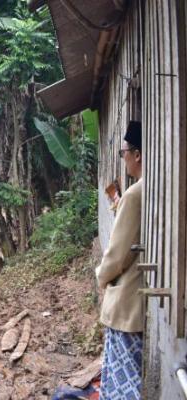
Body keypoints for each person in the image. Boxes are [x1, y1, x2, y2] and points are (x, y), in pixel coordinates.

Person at [96, 120, 143, 399]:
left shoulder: (135, 194)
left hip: (128, 306)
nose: (123, 158)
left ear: (137, 154)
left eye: (124, 152)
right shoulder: (156, 190)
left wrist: (100, 275)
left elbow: (116, 256)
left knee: (125, 383)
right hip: (144, 303)